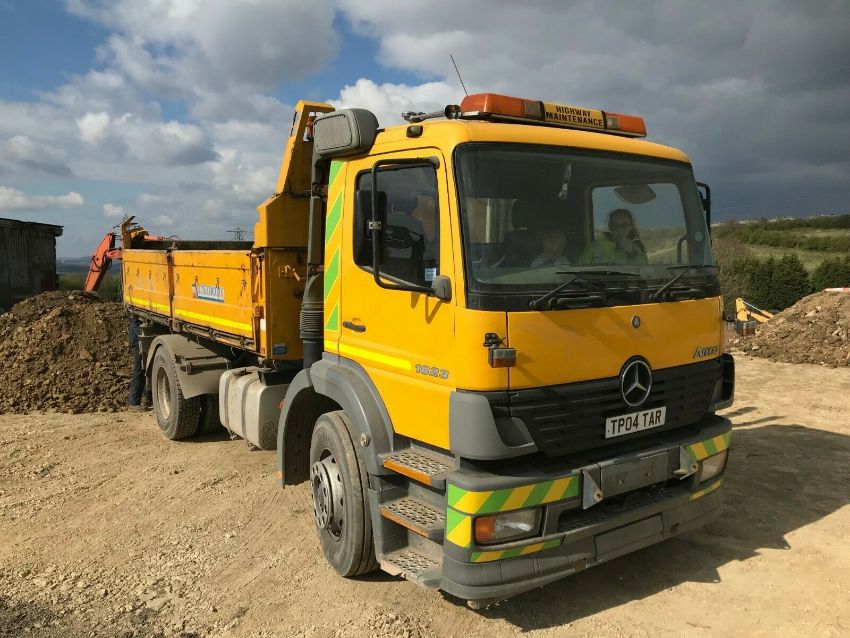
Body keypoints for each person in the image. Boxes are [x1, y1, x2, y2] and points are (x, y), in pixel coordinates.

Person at [579, 208, 648, 265]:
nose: (619, 229)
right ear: (610, 226)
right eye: (615, 225)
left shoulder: (636, 249)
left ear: (631, 226)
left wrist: (632, 254)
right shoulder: (595, 246)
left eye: (624, 225)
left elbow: (645, 271)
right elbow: (581, 268)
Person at [128, 314, 150, 411]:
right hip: (138, 338)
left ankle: (146, 397)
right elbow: (136, 326)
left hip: (139, 336)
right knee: (139, 369)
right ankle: (133, 402)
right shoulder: (135, 314)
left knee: (145, 368)